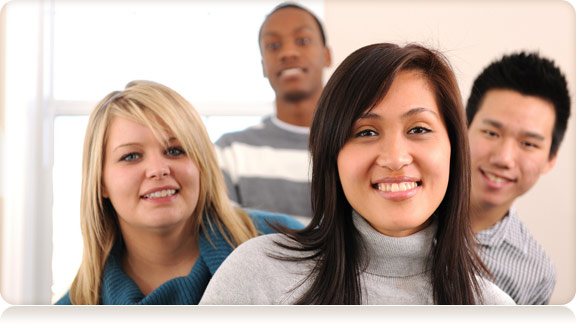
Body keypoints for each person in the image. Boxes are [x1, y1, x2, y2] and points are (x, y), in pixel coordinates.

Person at [200, 43, 515, 305]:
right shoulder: (258, 274)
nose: (395, 158)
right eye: (365, 132)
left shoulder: (493, 308)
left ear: (453, 150)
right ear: (331, 154)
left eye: (419, 129)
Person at [55, 80, 302, 305]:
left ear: (202, 164)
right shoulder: (74, 308)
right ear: (101, 183)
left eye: (175, 150)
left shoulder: (287, 244)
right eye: (131, 156)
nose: (158, 170)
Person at [466, 52, 571, 304]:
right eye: (491, 132)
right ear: (462, 127)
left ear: (551, 158)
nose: (504, 158)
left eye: (528, 143)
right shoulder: (399, 202)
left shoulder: (536, 274)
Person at [214, 2, 332, 223]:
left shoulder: (359, 142)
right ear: (263, 66)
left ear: (326, 55)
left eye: (303, 41)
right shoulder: (229, 153)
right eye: (273, 45)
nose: (288, 53)